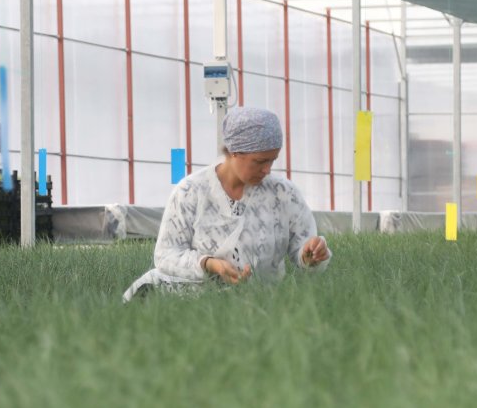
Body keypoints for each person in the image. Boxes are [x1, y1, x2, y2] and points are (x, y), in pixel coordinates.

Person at [123, 107, 331, 302]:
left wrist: (310, 255)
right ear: (234, 152)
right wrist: (208, 264)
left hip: (259, 303)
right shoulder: (191, 192)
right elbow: (166, 255)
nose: (267, 169)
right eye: (259, 162)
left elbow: (302, 249)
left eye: (272, 160)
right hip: (189, 299)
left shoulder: (284, 194)